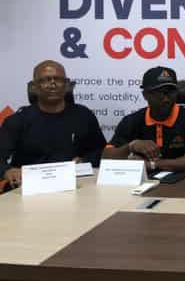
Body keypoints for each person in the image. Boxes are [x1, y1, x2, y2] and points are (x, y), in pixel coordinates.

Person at [0, 60, 106, 189]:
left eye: (58, 79)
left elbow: (100, 151)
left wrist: (85, 160)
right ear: (34, 86)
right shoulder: (17, 120)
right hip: (29, 188)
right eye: (45, 80)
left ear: (67, 84)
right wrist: (7, 171)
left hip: (74, 185)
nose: (52, 84)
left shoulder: (83, 115)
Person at [102, 66, 185, 172]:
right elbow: (106, 157)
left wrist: (151, 165)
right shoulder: (132, 121)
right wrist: (131, 146)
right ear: (145, 95)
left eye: (171, 92)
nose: (166, 99)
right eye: (159, 93)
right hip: (142, 179)